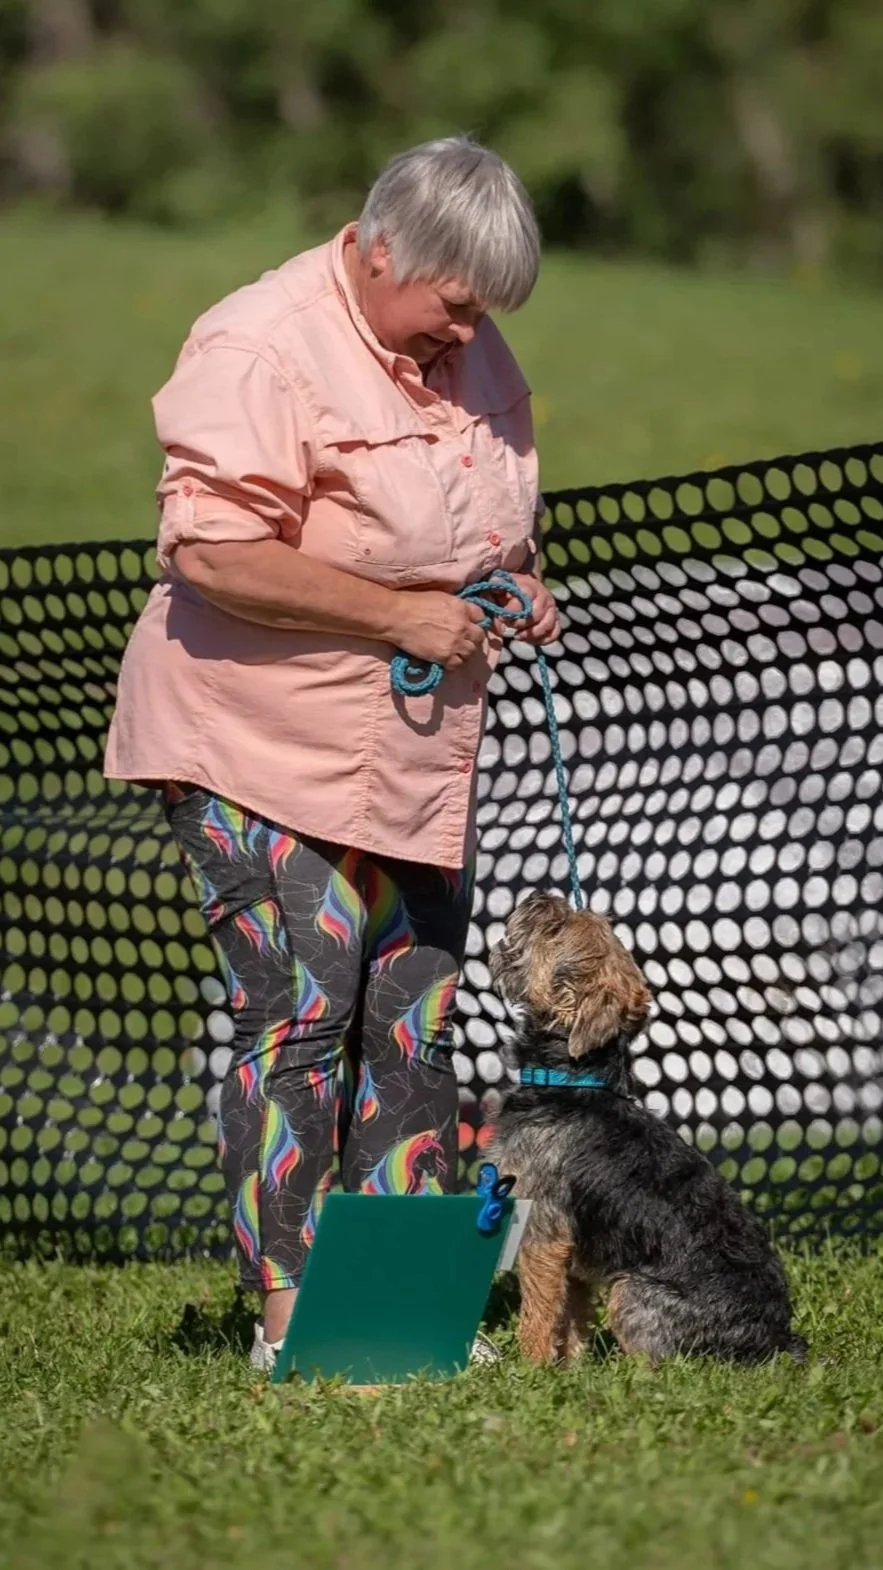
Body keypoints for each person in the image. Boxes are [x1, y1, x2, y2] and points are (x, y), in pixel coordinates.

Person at [104, 134, 560, 1371]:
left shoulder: (461, 343)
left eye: (484, 312)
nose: (466, 335)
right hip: (250, 734)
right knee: (303, 1014)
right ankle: (290, 1318)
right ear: (377, 252)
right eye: (453, 304)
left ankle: (400, 1317)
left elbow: (489, 507)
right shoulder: (258, 343)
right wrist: (402, 613)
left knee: (413, 1021)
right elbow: (209, 552)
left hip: (406, 751)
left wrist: (515, 578)